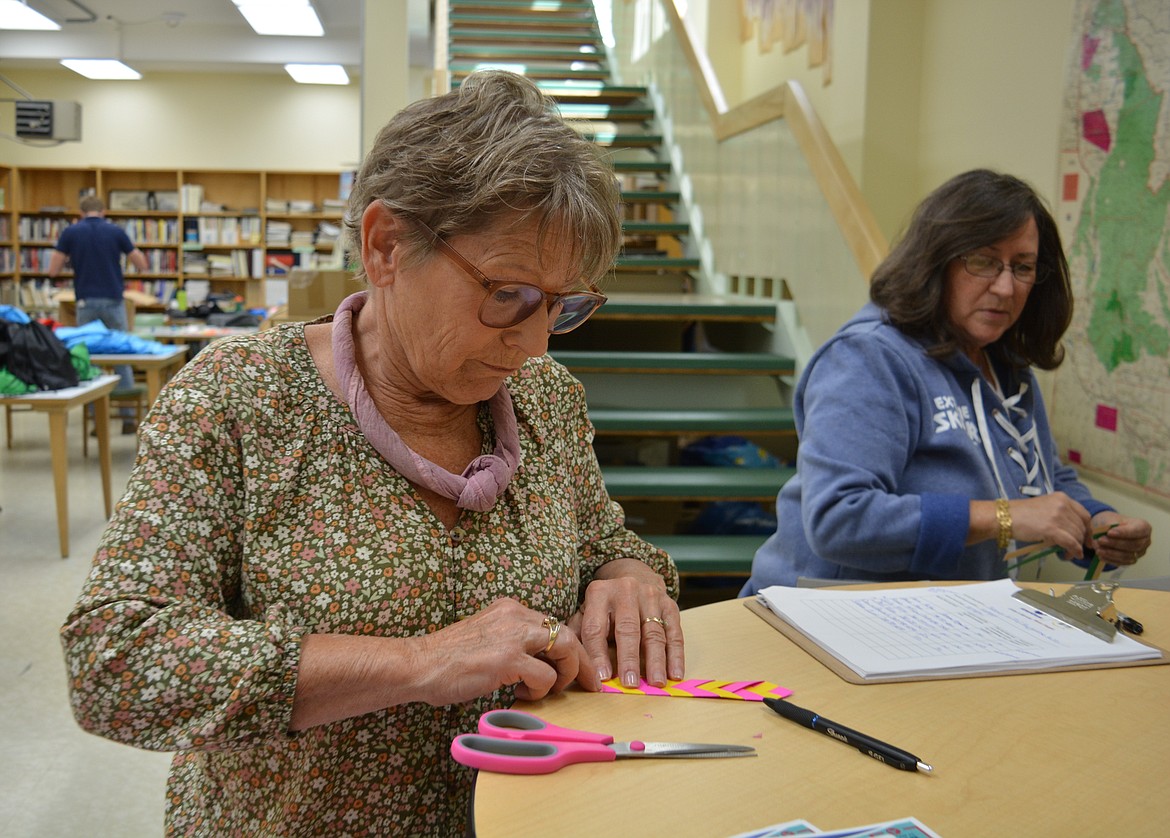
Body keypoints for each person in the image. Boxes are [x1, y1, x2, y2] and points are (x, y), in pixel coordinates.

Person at [61, 71, 684, 836]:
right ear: (387, 244)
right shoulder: (237, 400)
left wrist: (627, 575)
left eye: (562, 304)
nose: (533, 342)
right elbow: (114, 661)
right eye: (508, 294)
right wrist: (419, 662)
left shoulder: (546, 399)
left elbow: (601, 541)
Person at [741, 169, 1152, 593]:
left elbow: (1039, 473)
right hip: (821, 617)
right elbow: (840, 518)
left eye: (1023, 267)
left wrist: (1097, 520)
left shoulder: (1006, 364)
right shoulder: (868, 358)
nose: (1006, 287)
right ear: (935, 261)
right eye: (983, 261)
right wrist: (1003, 517)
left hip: (947, 619)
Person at [49, 194, 150, 432]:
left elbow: (53, 269)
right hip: (114, 300)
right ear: (103, 211)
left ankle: (97, 421)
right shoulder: (115, 231)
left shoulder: (71, 232)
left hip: (85, 301)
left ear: (81, 212)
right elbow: (141, 263)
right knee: (122, 356)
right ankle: (127, 418)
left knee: (90, 357)